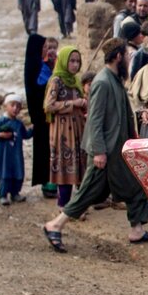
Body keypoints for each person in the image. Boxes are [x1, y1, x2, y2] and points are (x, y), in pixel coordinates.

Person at [42, 38, 148, 253]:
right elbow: (95, 120)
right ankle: (55, 225)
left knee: (135, 188)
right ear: (117, 57)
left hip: (118, 152)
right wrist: (98, 151)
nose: (127, 59)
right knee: (87, 193)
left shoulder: (114, 80)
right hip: (104, 154)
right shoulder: (102, 82)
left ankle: (137, 229)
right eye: (125, 55)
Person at [44, 46, 88, 211]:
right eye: (71, 61)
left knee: (79, 164)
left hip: (77, 127)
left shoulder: (75, 80)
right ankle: (64, 204)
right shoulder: (56, 81)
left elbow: (80, 100)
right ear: (63, 61)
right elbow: (48, 106)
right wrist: (72, 104)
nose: (75, 65)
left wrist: (83, 104)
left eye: (77, 61)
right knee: (65, 164)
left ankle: (77, 205)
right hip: (62, 130)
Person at [24, 34, 59, 198]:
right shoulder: (36, 67)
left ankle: (51, 184)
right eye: (44, 47)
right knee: (46, 151)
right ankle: (48, 185)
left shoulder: (39, 64)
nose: (47, 50)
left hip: (44, 117)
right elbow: (43, 87)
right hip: (42, 118)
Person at [0, 94, 34, 205]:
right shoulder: (1, 121)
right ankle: (3, 195)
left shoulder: (19, 124)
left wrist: (34, 129)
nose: (15, 108)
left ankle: (15, 193)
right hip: (4, 155)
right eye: (12, 105)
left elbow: (25, 135)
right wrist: (1, 135)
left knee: (17, 172)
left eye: (18, 106)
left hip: (16, 155)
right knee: (5, 173)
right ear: (6, 106)